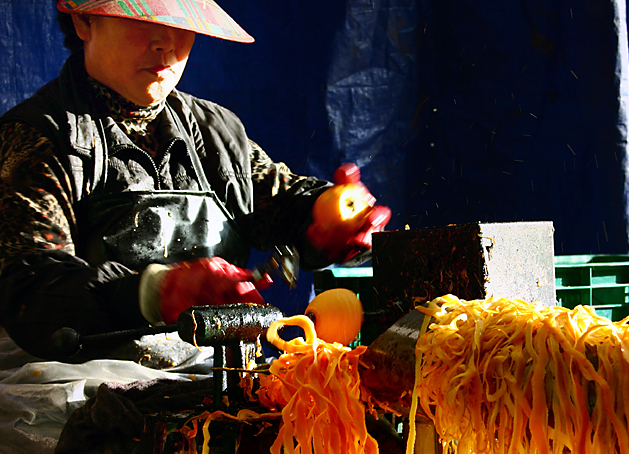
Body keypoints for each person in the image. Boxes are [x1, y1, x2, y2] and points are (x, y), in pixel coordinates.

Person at [0, 0, 391, 364]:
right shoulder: (36, 138)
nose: (165, 41)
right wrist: (155, 291)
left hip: (211, 375)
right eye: (144, 17)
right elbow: (29, 288)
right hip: (69, 384)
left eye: (180, 22)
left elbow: (280, 201)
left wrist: (325, 217)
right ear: (84, 21)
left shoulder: (215, 132)